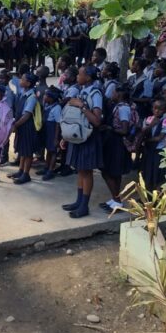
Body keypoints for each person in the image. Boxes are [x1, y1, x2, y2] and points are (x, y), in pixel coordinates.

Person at [62, 65, 104, 218]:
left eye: (80, 74)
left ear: (88, 77)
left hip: (88, 136)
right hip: (78, 136)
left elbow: (97, 121)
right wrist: (65, 137)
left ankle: (84, 206)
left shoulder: (95, 94)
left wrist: (82, 106)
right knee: (80, 170)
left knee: (86, 172)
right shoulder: (81, 91)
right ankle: (79, 201)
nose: (77, 77)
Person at [100, 85, 135, 213]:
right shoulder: (119, 106)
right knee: (114, 172)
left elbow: (124, 129)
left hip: (117, 143)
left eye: (114, 93)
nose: (112, 95)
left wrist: (110, 128)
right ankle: (115, 198)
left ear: (119, 95)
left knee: (108, 171)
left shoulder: (123, 108)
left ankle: (117, 199)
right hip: (114, 142)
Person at [9, 72, 40, 184]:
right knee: (22, 150)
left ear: (28, 83)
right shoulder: (23, 93)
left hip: (28, 127)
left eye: (22, 79)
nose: (20, 81)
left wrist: (15, 125)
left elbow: (26, 115)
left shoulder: (31, 97)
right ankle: (21, 170)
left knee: (27, 152)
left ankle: (26, 174)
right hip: (21, 126)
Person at [140, 98, 166, 192]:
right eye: (155, 108)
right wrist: (151, 125)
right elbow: (142, 132)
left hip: (158, 152)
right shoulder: (148, 119)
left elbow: (159, 138)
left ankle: (157, 195)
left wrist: (146, 140)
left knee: (157, 175)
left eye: (160, 109)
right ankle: (148, 195)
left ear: (165, 110)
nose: (157, 111)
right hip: (148, 151)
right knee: (146, 173)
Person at [39, 86, 62, 181]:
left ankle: (51, 170)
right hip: (47, 131)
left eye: (46, 95)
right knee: (48, 150)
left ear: (51, 98)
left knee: (53, 151)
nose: (44, 97)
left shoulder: (57, 108)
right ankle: (46, 167)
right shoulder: (47, 105)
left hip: (53, 131)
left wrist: (56, 138)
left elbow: (58, 123)